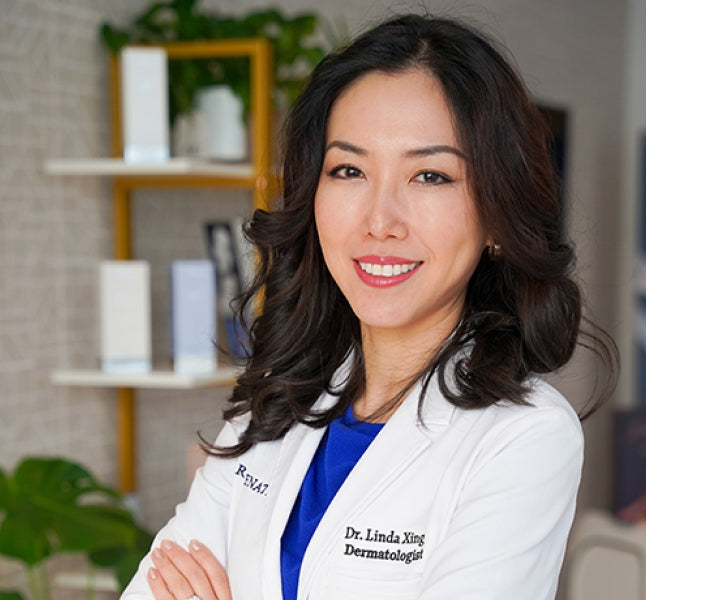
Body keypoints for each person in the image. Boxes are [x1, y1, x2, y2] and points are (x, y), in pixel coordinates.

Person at [120, 13, 616, 600]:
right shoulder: (278, 402)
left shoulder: (523, 437)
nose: (380, 221)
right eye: (349, 170)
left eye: (430, 176)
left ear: (496, 218)